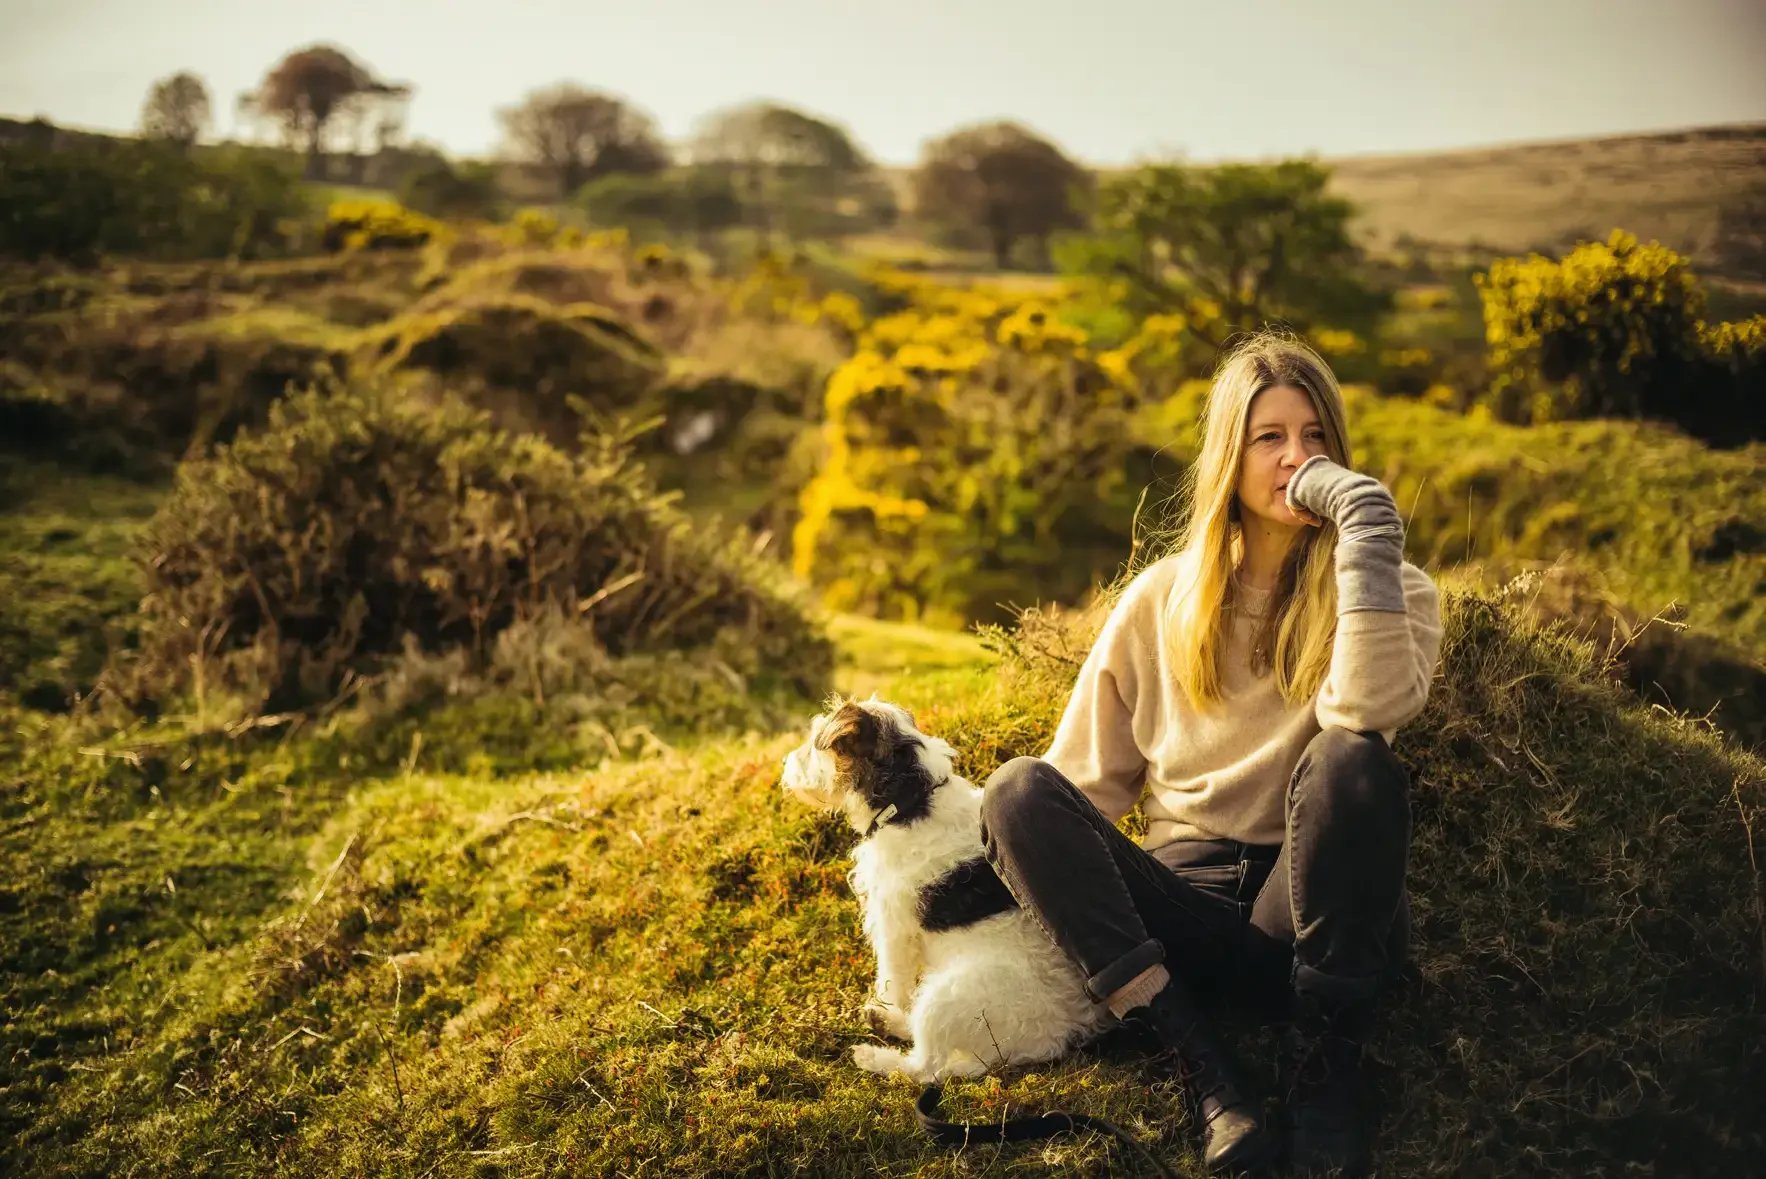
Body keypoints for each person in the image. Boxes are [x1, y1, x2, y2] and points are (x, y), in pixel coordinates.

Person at [979, 330, 1445, 1175]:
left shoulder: (1393, 590)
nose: (1294, 459)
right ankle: (1205, 1075)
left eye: (1316, 439)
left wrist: (1366, 525)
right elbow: (1079, 791)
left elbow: (1367, 713)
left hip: (1304, 913)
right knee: (1014, 791)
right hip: (1178, 919)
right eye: (1271, 437)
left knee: (1351, 760)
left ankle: (1325, 1073)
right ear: (1231, 454)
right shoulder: (1161, 597)